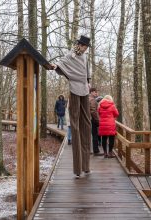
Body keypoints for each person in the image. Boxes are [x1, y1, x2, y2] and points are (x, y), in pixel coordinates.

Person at [51, 35, 91, 178]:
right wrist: (56, 66)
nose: (85, 48)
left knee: (87, 124)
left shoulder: (85, 57)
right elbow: (61, 63)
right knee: (75, 124)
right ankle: (77, 168)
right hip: (74, 89)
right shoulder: (71, 54)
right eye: (84, 46)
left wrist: (88, 81)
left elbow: (87, 70)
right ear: (79, 45)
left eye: (86, 47)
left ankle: (86, 165)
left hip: (85, 89)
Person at [89, 88, 102, 155]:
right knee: (95, 135)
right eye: (95, 92)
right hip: (93, 120)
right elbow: (93, 111)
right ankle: (96, 150)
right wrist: (97, 120)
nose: (96, 93)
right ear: (91, 92)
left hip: (88, 119)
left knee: (90, 135)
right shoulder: (92, 100)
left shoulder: (87, 99)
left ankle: (88, 150)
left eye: (96, 92)